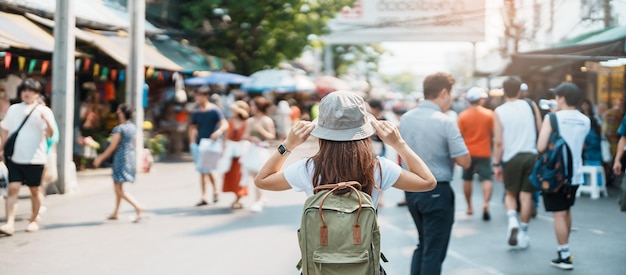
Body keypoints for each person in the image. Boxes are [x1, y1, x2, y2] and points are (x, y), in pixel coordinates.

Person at [253, 89, 435, 216]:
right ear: (363, 131)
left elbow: (262, 180)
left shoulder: (309, 168)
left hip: (320, 265)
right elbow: (428, 182)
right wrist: (399, 144)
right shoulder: (377, 168)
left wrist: (288, 145)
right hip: (364, 263)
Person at [399, 72, 471, 275]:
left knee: (423, 244)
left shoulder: (406, 118)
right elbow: (464, 161)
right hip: (437, 190)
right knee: (434, 251)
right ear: (443, 92)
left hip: (412, 190)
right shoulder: (445, 121)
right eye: (451, 94)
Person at [536, 82, 589, 270]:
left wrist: (551, 117)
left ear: (562, 98)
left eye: (557, 97)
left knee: (558, 214)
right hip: (575, 174)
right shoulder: (585, 120)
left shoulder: (552, 118)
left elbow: (541, 146)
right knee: (566, 210)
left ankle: (565, 255)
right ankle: (564, 247)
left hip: (555, 174)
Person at [0, 78, 57, 235]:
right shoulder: (13, 109)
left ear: (37, 93)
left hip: (35, 158)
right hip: (15, 157)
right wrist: (2, 149)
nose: (26, 93)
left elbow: (51, 134)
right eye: (24, 90)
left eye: (30, 90)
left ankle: (33, 219)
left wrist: (47, 121)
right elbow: (5, 130)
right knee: (13, 189)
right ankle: (9, 223)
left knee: (35, 190)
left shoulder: (44, 111)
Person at [493, 77, 542, 250]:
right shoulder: (530, 105)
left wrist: (496, 164)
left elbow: (499, 142)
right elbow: (540, 128)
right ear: (520, 91)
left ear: (504, 91)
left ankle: (512, 220)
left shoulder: (499, 111)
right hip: (531, 155)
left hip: (511, 158)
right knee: (526, 195)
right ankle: (523, 233)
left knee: (510, 194)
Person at [93, 103, 145, 222]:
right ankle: (116, 212)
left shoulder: (119, 129)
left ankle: (138, 207)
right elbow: (134, 144)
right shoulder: (132, 128)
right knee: (119, 186)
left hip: (120, 158)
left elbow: (112, 146)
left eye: (119, 112)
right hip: (129, 157)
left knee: (118, 188)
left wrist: (100, 158)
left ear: (122, 114)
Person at [188, 86, 229, 207]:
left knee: (208, 169)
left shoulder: (214, 110)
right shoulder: (196, 112)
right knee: (202, 170)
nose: (197, 98)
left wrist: (218, 132)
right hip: (200, 143)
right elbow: (192, 127)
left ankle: (214, 191)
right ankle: (205, 195)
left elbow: (224, 124)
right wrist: (192, 142)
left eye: (199, 95)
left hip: (211, 143)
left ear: (206, 96)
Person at [457, 87, 494, 221]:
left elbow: (459, 136)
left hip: (468, 152)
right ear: (480, 100)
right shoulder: (489, 114)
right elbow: (494, 133)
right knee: (487, 178)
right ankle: (485, 204)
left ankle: (469, 206)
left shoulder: (463, 116)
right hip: (485, 151)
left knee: (467, 179)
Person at [240, 97, 275, 212]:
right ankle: (261, 198)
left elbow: (272, 136)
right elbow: (244, 135)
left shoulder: (266, 120)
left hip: (262, 151)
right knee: (253, 175)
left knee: (258, 176)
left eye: (253, 106)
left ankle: (258, 200)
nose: (251, 108)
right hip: (252, 150)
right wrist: (252, 138)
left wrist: (261, 131)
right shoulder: (250, 121)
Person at [222, 100, 249, 209]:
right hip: (231, 153)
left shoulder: (247, 122)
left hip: (242, 153)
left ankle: (240, 197)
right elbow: (225, 137)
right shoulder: (230, 122)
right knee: (231, 175)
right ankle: (236, 196)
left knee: (240, 175)